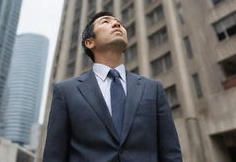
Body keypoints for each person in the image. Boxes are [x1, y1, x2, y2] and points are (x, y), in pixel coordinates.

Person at [43, 11, 182, 162]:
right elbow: (54, 155)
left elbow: (170, 152)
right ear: (90, 42)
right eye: (105, 22)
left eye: (119, 23)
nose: (117, 24)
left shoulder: (153, 89)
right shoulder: (66, 91)